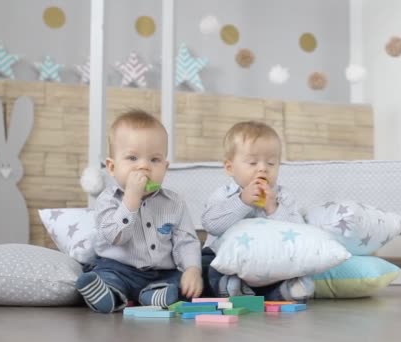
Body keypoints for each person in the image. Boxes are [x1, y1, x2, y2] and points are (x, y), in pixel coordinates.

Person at [75, 109, 203, 313]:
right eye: (132, 158)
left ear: (165, 167)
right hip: (117, 268)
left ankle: (154, 295)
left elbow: (185, 241)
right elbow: (113, 236)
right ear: (112, 167)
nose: (144, 166)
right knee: (105, 276)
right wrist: (131, 199)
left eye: (154, 160)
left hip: (161, 273)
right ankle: (109, 294)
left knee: (179, 283)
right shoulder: (107, 199)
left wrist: (192, 269)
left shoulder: (174, 202)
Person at [201, 121, 314, 301]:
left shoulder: (283, 197)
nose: (262, 168)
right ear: (230, 168)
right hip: (223, 257)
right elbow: (211, 224)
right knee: (206, 265)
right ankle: (229, 286)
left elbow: (298, 233)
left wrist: (273, 208)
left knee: (292, 268)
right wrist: (242, 201)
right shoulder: (223, 195)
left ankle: (284, 292)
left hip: (268, 259)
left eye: (271, 163)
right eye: (252, 162)